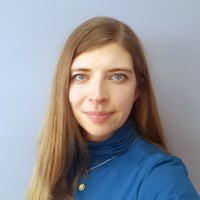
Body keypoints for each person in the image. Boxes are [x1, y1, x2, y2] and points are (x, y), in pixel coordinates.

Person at [27, 17, 200, 200]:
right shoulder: (56, 161)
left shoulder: (162, 177)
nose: (98, 95)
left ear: (137, 90)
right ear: (64, 87)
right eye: (81, 76)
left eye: (117, 76)